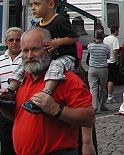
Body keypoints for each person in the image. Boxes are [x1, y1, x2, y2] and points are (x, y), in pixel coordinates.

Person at [0, 27, 95, 155]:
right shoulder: (23, 80)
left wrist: (56, 109)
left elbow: (89, 118)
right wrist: (3, 106)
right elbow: (17, 116)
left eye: (35, 49)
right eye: (25, 51)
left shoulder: (67, 79)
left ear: (49, 49)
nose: (29, 56)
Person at [0, 0, 80, 115]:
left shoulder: (59, 21)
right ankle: (10, 90)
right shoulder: (39, 25)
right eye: (31, 4)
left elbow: (74, 37)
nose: (33, 8)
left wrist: (58, 42)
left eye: (36, 4)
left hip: (65, 56)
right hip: (48, 57)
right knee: (22, 64)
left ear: (50, 4)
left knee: (56, 66)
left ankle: (45, 93)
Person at [0, 27, 22, 155]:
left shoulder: (27, 59)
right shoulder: (0, 60)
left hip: (22, 106)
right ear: (6, 42)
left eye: (18, 40)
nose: (14, 42)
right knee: (6, 142)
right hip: (4, 108)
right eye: (11, 40)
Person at [86, 29, 111, 112]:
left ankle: (94, 106)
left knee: (93, 88)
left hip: (92, 68)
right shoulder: (106, 47)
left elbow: (89, 54)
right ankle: (102, 104)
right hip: (103, 68)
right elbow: (108, 57)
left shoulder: (90, 46)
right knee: (103, 88)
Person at [103, 25, 120, 104]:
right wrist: (117, 60)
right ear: (116, 31)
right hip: (112, 61)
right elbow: (115, 51)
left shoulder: (105, 39)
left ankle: (108, 94)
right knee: (111, 79)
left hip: (105, 61)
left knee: (107, 78)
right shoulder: (115, 39)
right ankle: (110, 95)